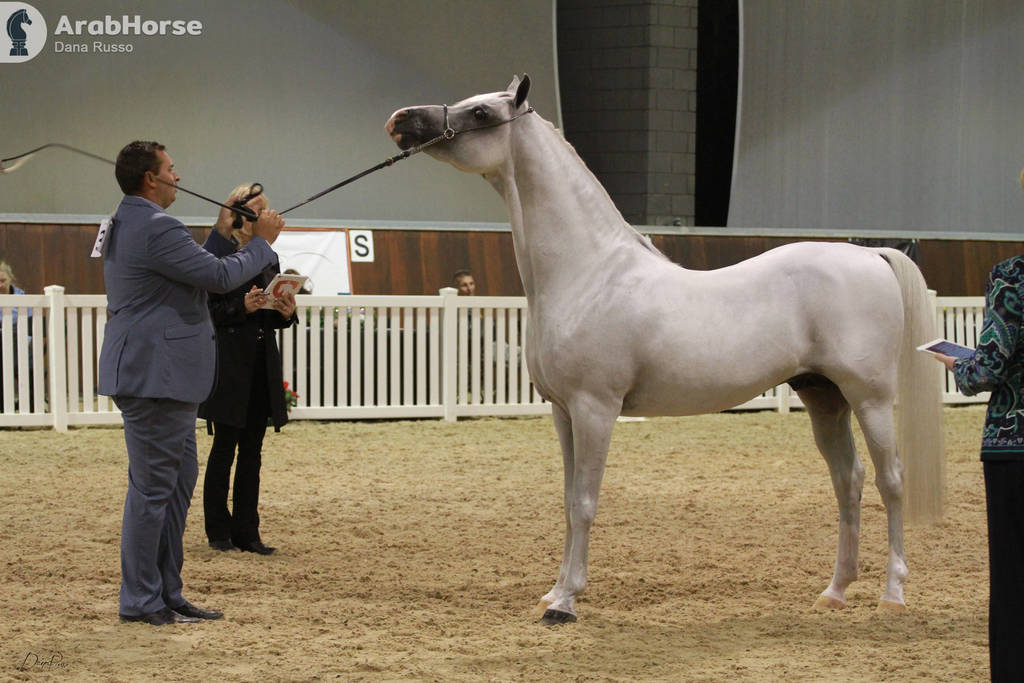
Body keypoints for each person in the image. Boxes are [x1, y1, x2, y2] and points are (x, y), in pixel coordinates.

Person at [97, 141, 284, 627]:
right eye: (171, 169)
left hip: (165, 377)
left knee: (174, 486)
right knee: (154, 491)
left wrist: (222, 234)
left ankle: (166, 592)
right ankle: (141, 600)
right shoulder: (157, 226)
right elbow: (219, 278)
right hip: (156, 375)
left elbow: (190, 272)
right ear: (150, 180)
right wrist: (261, 242)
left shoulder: (132, 221)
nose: (179, 177)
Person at [931, 234, 1024, 678]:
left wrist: (957, 365)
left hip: (1015, 442)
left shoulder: (1012, 278)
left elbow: (987, 368)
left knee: (1014, 584)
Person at [199, 185, 297, 556]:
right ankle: (218, 531)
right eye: (257, 212)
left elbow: (269, 314)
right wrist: (243, 307)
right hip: (228, 364)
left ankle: (248, 531)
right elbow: (209, 312)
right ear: (239, 218)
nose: (265, 219)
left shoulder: (268, 258)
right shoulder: (215, 258)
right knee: (224, 448)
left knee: (253, 451)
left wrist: (286, 312)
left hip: (259, 363)